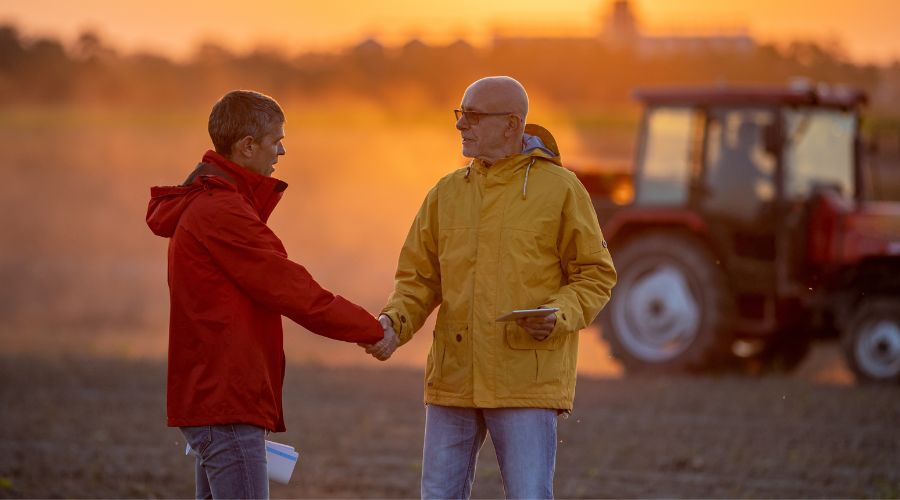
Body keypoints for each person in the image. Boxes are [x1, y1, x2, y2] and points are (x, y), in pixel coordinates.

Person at [362, 76, 617, 499]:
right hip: (453, 379)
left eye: (474, 116)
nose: (462, 125)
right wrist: (394, 322)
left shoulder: (562, 190)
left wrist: (558, 315)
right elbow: (418, 280)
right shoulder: (446, 193)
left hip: (526, 381)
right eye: (460, 114)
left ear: (512, 125)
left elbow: (595, 274)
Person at [146, 90, 385, 499]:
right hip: (226, 398)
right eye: (276, 141)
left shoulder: (213, 205)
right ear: (247, 146)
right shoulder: (222, 212)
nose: (282, 151)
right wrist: (371, 329)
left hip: (218, 398)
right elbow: (292, 289)